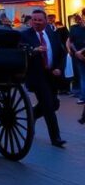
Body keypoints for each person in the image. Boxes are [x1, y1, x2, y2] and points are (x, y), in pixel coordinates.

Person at [21, 9, 66, 148]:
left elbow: (61, 53)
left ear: (46, 21)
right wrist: (33, 51)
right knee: (48, 105)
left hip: (51, 75)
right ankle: (56, 138)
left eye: (40, 20)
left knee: (54, 103)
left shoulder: (52, 34)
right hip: (37, 76)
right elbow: (21, 50)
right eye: (34, 20)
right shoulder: (25, 35)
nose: (37, 23)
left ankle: (32, 114)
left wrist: (59, 68)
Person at [67, 14, 85, 104]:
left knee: (82, 76)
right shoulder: (73, 28)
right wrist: (77, 52)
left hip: (78, 54)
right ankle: (82, 96)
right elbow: (70, 41)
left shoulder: (73, 28)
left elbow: (70, 41)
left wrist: (78, 52)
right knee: (82, 76)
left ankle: (82, 97)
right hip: (79, 55)